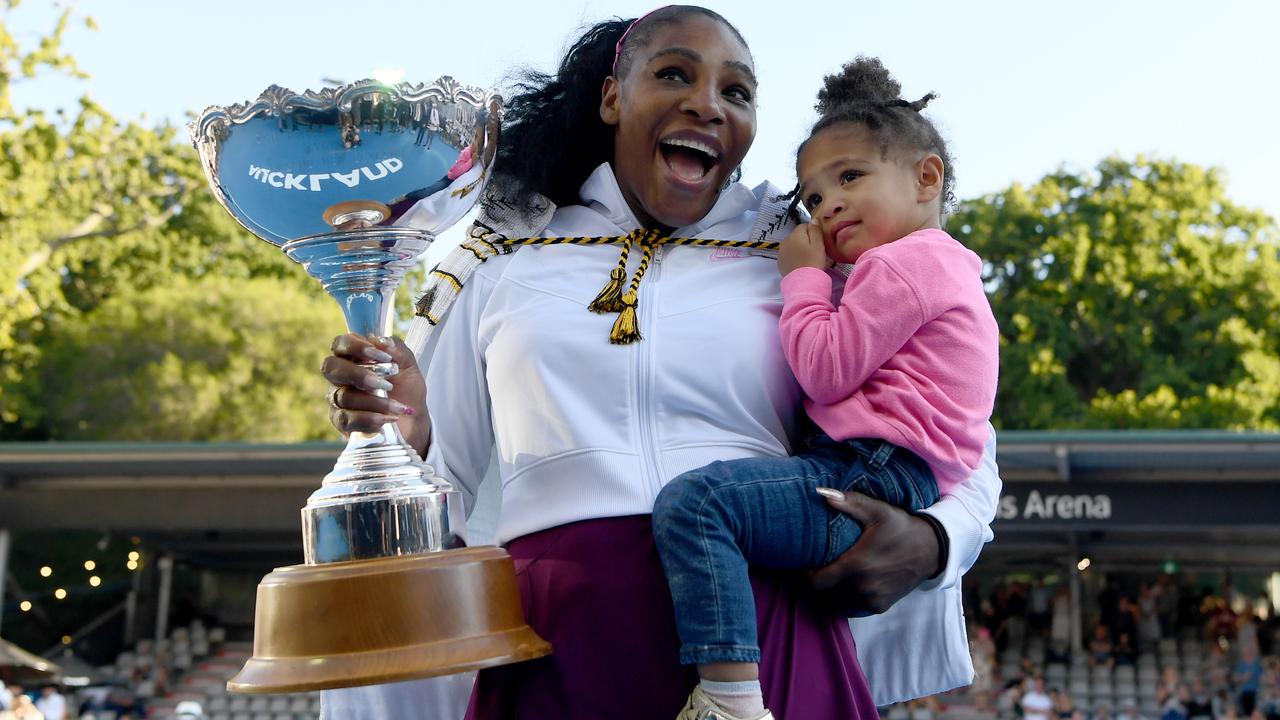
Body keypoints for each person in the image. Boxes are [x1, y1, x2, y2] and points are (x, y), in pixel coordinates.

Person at [320, 6, 1001, 719]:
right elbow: (442, 487)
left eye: (737, 92)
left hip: (768, 630)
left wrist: (934, 540)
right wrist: (406, 432)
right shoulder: (503, 257)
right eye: (674, 73)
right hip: (559, 634)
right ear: (613, 97)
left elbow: (956, 419)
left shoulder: (806, 250)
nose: (707, 103)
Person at [650, 56, 998, 719]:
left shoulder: (901, 265)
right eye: (811, 197)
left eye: (850, 178)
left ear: (926, 178)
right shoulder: (939, 266)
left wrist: (803, 278)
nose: (826, 205)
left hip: (870, 471)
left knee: (700, 506)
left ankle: (730, 702)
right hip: (889, 472)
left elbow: (825, 368)